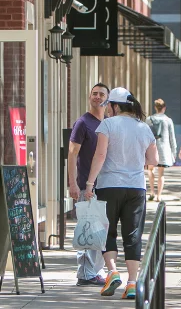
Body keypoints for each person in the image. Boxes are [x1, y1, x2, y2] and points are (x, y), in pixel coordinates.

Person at [82, 87, 158, 300]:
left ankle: (113, 271)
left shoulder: (107, 125)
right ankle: (132, 283)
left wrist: (89, 184)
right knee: (133, 235)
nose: (106, 110)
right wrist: (135, 161)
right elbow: (153, 160)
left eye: (108, 105)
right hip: (136, 187)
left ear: (115, 106)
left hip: (108, 185)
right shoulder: (144, 127)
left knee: (107, 232)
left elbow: (100, 154)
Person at [67, 83, 110, 286]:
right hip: (87, 186)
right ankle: (85, 273)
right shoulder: (83, 123)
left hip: (107, 185)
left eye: (101, 94)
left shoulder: (108, 122)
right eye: (94, 93)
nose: (97, 97)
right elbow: (72, 153)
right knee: (87, 228)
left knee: (103, 228)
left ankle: (95, 271)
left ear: (107, 99)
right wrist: (73, 184)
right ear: (89, 96)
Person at [146, 98, 177, 201]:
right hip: (163, 148)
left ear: (155, 107)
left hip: (152, 147)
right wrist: (174, 151)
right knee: (161, 173)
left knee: (150, 170)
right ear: (164, 108)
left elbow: (145, 135)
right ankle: (159, 195)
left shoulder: (149, 119)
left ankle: (152, 192)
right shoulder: (168, 120)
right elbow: (172, 137)